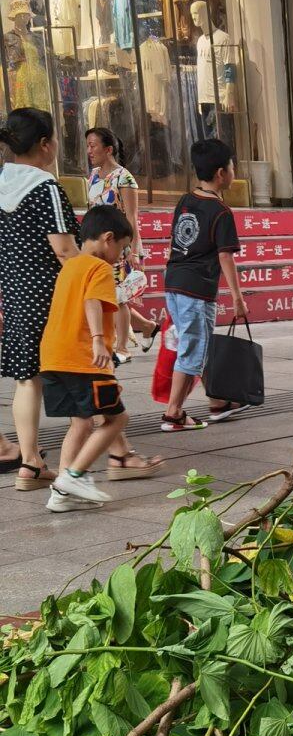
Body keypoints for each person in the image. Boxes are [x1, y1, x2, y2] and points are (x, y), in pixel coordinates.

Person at [37, 206, 141, 513]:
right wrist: (98, 339)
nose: (120, 256)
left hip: (53, 358)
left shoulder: (69, 266)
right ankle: (74, 475)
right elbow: (92, 301)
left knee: (81, 422)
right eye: (121, 248)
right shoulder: (99, 269)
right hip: (83, 359)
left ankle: (60, 494)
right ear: (108, 238)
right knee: (116, 418)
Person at [0, 107, 78, 490]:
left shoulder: (1, 182)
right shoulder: (44, 187)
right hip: (51, 296)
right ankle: (115, 451)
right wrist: (88, 286)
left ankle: (30, 462)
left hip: (14, 296)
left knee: (26, 380)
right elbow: (64, 250)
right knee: (82, 372)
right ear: (45, 144)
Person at [161, 137, 250, 433]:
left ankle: (217, 400)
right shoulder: (221, 212)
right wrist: (237, 297)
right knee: (192, 349)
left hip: (174, 282)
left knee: (196, 344)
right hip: (196, 289)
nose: (233, 170)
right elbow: (225, 257)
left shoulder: (186, 201)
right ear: (221, 173)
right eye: (232, 165)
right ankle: (173, 413)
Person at [85, 125, 148, 360]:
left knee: (119, 297)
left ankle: (122, 348)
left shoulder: (124, 177)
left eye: (93, 145)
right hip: (95, 246)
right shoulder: (92, 175)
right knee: (102, 294)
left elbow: (132, 217)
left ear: (108, 149)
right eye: (88, 146)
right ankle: (139, 330)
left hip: (117, 247)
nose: (89, 151)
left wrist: (133, 250)